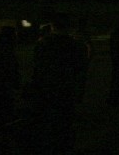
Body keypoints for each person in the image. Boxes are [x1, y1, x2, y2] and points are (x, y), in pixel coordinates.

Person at [30, 13, 88, 154]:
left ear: (52, 26)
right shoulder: (75, 45)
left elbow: (37, 69)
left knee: (47, 121)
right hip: (66, 89)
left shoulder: (42, 44)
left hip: (46, 89)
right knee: (64, 122)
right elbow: (80, 69)